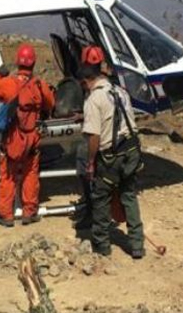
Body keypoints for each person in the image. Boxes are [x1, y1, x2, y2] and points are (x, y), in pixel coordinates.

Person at [79, 63, 145, 259]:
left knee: (101, 198)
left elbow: (94, 137)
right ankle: (137, 245)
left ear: (85, 82)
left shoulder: (94, 99)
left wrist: (91, 161)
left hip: (111, 156)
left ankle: (101, 246)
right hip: (132, 150)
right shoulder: (120, 92)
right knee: (129, 195)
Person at [0, 43, 55, 227]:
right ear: (33, 64)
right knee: (30, 174)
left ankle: (6, 216)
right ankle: (29, 213)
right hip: (32, 138)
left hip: (12, 139)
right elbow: (50, 103)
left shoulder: (9, 83)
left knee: (8, 176)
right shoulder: (39, 85)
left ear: (18, 62)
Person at [72, 46, 106, 230]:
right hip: (105, 133)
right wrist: (84, 115)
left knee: (85, 169)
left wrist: (91, 161)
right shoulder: (106, 82)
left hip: (95, 135)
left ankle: (92, 212)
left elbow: (97, 111)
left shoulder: (93, 86)